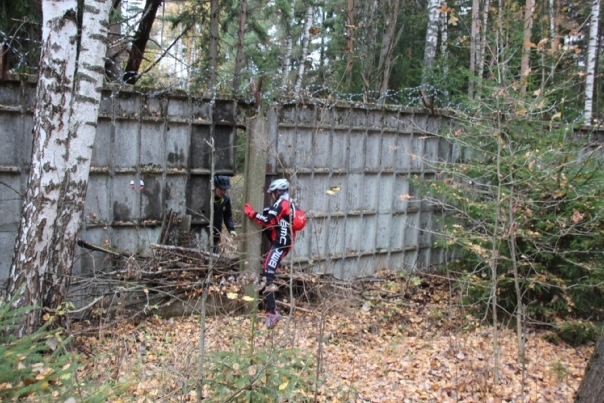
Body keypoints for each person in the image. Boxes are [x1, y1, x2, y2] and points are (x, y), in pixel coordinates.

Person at [243, 178, 297, 329]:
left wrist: (251, 213)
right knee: (268, 273)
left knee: (268, 274)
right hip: (284, 242)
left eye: (273, 193)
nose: (272, 195)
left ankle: (272, 312)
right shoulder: (289, 202)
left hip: (280, 244)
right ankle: (271, 310)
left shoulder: (282, 203)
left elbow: (268, 221)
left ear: (277, 192)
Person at [212, 175, 237, 254]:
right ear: (215, 187)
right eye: (221, 189)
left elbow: (228, 216)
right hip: (205, 232)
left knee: (214, 255)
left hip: (216, 233)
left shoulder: (226, 199)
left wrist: (231, 230)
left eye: (225, 189)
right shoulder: (208, 197)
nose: (223, 192)